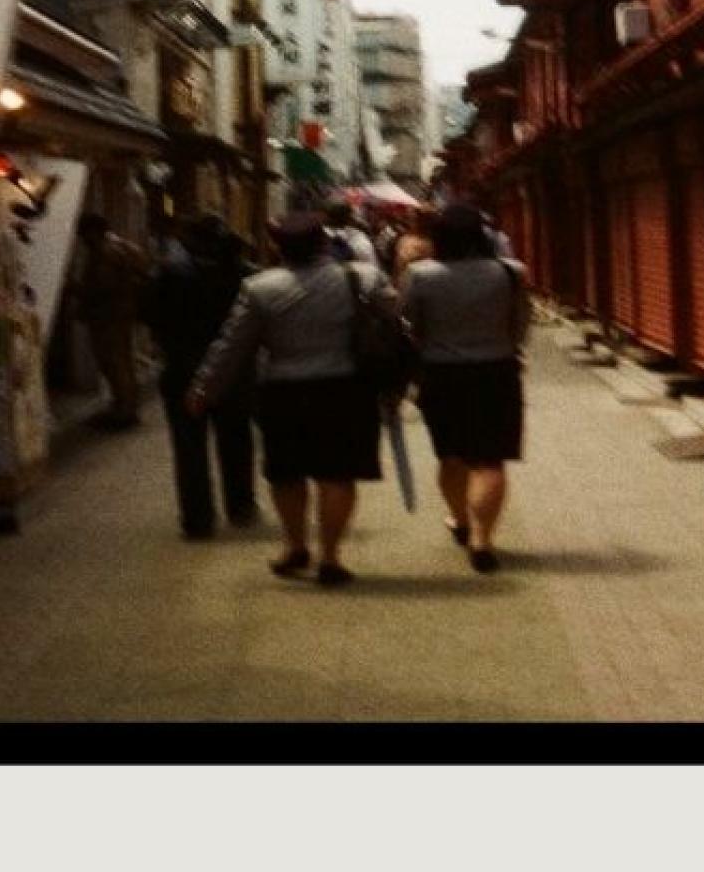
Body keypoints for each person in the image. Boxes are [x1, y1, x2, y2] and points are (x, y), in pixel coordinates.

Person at [188, 202, 404, 588]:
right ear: (323, 242)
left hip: (283, 391)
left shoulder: (260, 288)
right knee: (337, 474)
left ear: (278, 247)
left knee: (287, 473)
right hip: (346, 389)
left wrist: (205, 388)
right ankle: (331, 556)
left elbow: (232, 345)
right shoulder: (362, 277)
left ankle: (295, 546)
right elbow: (396, 317)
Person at [398, 199, 531, 571]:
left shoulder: (420, 275)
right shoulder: (511, 272)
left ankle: (460, 520)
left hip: (440, 374)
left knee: (452, 456)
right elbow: (520, 325)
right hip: (496, 371)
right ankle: (482, 539)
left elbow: (408, 324)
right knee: (489, 459)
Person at [144, 210, 257, 538]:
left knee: (189, 446)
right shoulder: (245, 274)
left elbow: (149, 315)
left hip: (183, 368)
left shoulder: (168, 274)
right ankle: (241, 505)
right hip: (234, 370)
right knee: (236, 439)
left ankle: (197, 518)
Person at [72, 209, 151, 428]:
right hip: (122, 313)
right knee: (123, 361)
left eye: (84, 233)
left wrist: (76, 289)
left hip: (108, 315)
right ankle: (127, 406)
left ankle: (124, 410)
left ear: (94, 231)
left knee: (113, 363)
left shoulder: (105, 251)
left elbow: (102, 286)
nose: (82, 239)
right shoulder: (124, 246)